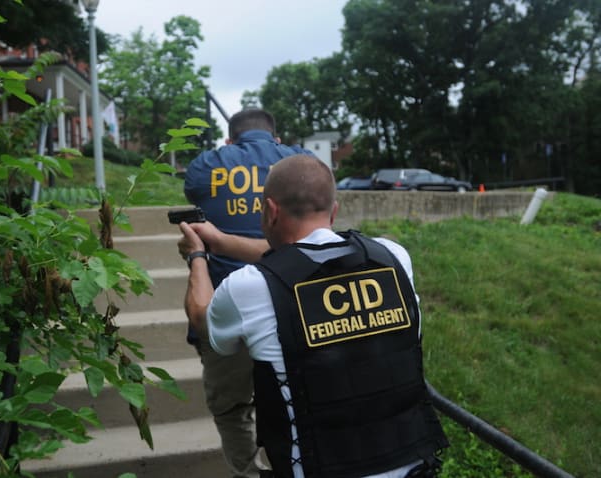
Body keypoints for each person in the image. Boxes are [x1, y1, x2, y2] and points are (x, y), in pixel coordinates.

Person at [178, 154, 449, 478]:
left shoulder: (250, 287)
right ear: (334, 211)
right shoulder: (393, 257)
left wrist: (197, 255)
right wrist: (222, 243)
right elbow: (306, 255)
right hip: (415, 465)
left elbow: (201, 320)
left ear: (271, 211)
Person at [182, 109, 315, 477]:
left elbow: (193, 189)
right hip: (294, 307)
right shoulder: (300, 163)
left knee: (231, 409)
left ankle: (248, 473)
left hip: (227, 309)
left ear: (229, 141)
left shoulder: (206, 166)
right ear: (277, 139)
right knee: (302, 399)